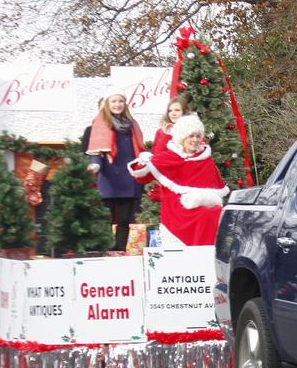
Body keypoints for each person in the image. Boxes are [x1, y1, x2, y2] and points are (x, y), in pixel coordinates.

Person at [128, 114, 228, 246]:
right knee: (205, 215)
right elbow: (141, 177)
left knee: (215, 213)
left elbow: (217, 187)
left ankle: (205, 253)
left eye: (198, 136)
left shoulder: (205, 159)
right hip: (176, 208)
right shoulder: (168, 157)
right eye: (191, 136)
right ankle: (200, 252)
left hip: (204, 205)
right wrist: (143, 161)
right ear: (182, 137)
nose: (195, 140)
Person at [85, 88, 146, 251]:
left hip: (129, 175)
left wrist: (145, 158)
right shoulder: (100, 123)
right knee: (105, 216)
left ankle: (119, 249)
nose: (117, 104)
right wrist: (96, 163)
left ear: (125, 104)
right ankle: (105, 247)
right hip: (108, 175)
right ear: (107, 103)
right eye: (114, 101)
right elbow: (97, 149)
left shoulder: (132, 124)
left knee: (125, 219)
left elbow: (139, 148)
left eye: (120, 101)